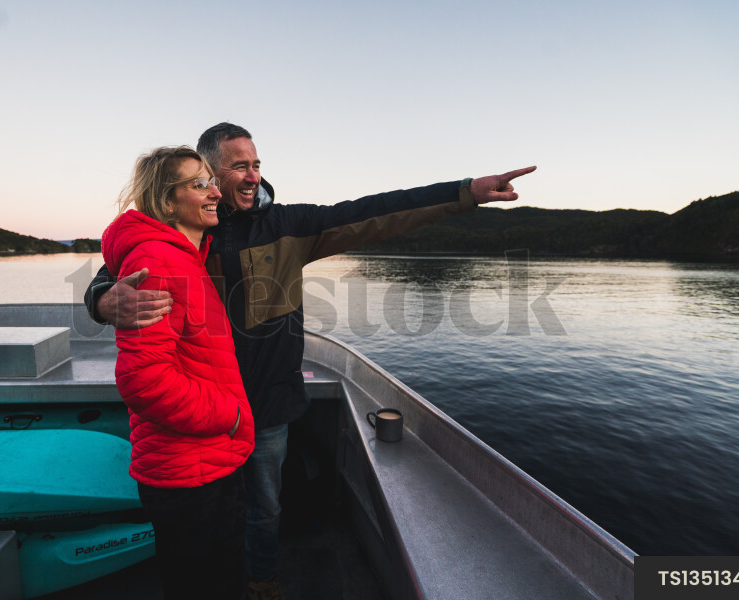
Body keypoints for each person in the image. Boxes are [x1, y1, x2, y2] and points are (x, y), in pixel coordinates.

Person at [86, 123, 535, 600]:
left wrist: (465, 192)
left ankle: (262, 581)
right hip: (202, 417)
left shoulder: (288, 227)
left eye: (257, 165)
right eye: (238, 166)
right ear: (210, 174)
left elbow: (377, 212)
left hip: (266, 407)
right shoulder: (184, 233)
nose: (252, 176)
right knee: (208, 527)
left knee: (263, 509)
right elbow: (117, 272)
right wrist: (101, 301)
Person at [100, 145, 255, 600]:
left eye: (210, 180)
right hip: (193, 470)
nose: (214, 192)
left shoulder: (184, 255)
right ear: (167, 203)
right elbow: (145, 382)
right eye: (198, 183)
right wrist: (228, 415)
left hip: (199, 462)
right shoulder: (160, 263)